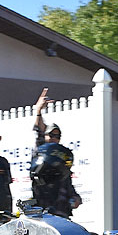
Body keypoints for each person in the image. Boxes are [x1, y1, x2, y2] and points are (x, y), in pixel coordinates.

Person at [30, 88, 82, 216]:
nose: (54, 138)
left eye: (57, 136)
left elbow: (68, 186)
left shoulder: (62, 160)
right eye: (51, 135)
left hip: (62, 212)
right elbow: (39, 132)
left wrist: (76, 198)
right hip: (44, 212)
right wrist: (38, 111)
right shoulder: (40, 154)